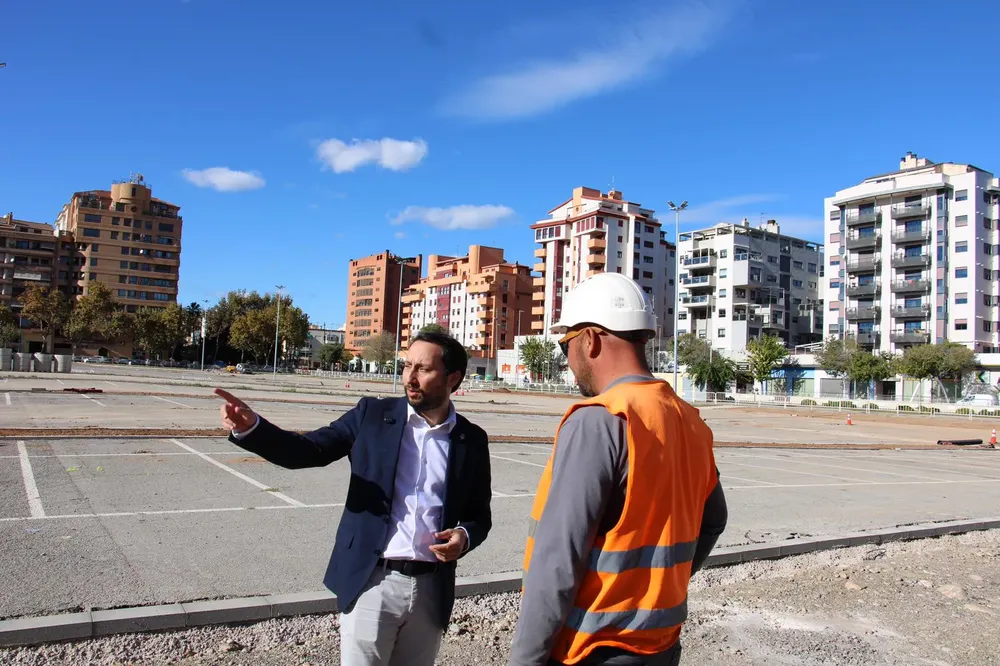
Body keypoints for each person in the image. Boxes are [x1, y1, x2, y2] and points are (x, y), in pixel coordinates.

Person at [215, 331, 493, 666]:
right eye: (407, 366)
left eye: (423, 369)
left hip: (432, 590)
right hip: (373, 583)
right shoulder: (371, 415)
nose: (410, 377)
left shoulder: (471, 439)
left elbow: (479, 515)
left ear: (453, 378)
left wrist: (463, 536)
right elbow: (308, 450)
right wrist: (253, 428)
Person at [509, 273, 728, 666]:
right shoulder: (690, 421)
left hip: (593, 648)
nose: (569, 362)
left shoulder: (600, 419)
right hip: (661, 646)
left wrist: (525, 660)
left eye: (565, 345)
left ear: (590, 339)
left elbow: (558, 560)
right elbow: (713, 521)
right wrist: (654, 589)